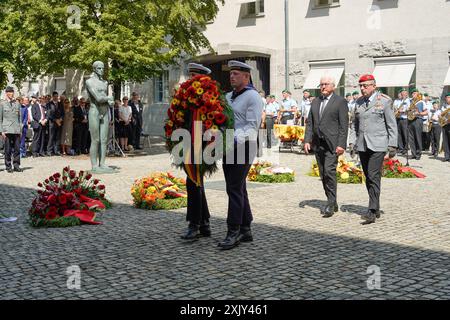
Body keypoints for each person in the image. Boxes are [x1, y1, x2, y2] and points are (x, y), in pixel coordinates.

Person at [218, 60, 263, 250]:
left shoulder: (252, 97)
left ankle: (233, 231)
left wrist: (231, 140)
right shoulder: (229, 96)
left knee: (234, 188)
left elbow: (252, 127)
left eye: (236, 73)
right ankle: (246, 228)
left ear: (247, 76)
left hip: (244, 146)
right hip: (229, 145)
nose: (232, 76)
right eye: (231, 73)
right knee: (238, 187)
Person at [349, 74, 398, 224]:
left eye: (366, 86)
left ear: (374, 86)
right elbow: (353, 125)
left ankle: (371, 209)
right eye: (361, 86)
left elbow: (391, 124)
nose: (363, 89)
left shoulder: (384, 101)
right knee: (368, 177)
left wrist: (392, 145)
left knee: (373, 174)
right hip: (363, 145)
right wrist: (352, 142)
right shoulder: (358, 102)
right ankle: (375, 207)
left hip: (378, 144)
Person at [304, 76, 348, 218]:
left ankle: (330, 202)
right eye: (321, 84)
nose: (323, 87)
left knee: (329, 172)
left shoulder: (340, 102)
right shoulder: (316, 101)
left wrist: (341, 144)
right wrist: (307, 140)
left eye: (326, 84)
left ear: (333, 86)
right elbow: (310, 123)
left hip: (332, 144)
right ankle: (332, 201)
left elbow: (343, 125)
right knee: (323, 173)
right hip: (318, 144)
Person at [180, 63, 213, 241]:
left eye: (194, 76)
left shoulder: (209, 97)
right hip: (188, 142)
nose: (190, 79)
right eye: (190, 75)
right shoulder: (187, 97)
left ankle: (195, 224)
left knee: (193, 182)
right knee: (195, 183)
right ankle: (204, 223)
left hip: (202, 143)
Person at [85, 61, 115, 173]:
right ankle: (94, 165)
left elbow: (105, 99)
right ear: (94, 69)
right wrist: (109, 98)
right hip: (94, 111)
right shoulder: (89, 82)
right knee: (95, 139)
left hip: (104, 111)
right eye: (99, 68)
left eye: (102, 68)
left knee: (104, 140)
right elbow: (98, 98)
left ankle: (102, 163)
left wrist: (110, 102)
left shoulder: (105, 83)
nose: (101, 70)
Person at [0, 86, 23, 173]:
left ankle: (16, 165)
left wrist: (20, 129)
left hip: (16, 129)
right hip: (7, 130)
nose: (11, 94)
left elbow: (20, 117)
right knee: (8, 149)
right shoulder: (2, 104)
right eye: (9, 92)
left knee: (17, 149)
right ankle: (8, 166)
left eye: (12, 92)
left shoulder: (17, 103)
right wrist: (2, 131)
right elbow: (0, 119)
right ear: (6, 93)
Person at [408, 89, 427, 160]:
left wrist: (419, 113)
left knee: (418, 137)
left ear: (418, 94)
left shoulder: (421, 102)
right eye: (412, 93)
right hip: (410, 120)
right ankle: (413, 153)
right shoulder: (410, 101)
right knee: (411, 138)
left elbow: (426, 112)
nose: (413, 95)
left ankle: (418, 153)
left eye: (415, 93)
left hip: (418, 120)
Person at [45, 91, 63, 156]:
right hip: (52, 123)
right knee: (51, 137)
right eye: (55, 96)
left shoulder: (60, 104)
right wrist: (55, 120)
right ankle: (49, 151)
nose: (56, 98)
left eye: (57, 96)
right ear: (52, 97)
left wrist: (61, 119)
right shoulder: (49, 104)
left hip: (59, 123)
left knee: (58, 137)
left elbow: (63, 113)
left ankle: (57, 150)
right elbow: (49, 114)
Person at [441, 93, 450, 162]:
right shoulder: (443, 106)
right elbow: (441, 114)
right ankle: (446, 156)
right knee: (445, 141)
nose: (448, 99)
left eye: (449, 97)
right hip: (445, 124)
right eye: (447, 97)